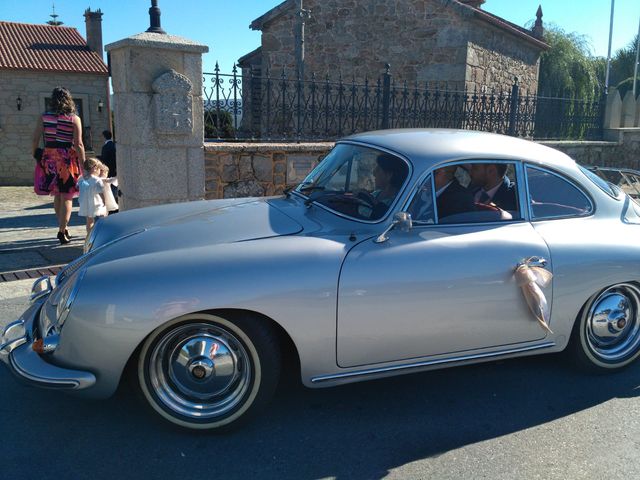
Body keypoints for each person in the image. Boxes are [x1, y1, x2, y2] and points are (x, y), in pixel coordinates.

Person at [32, 86, 85, 244]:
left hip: (49, 157)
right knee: (67, 195)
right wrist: (83, 165)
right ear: (69, 100)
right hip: (66, 159)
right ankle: (62, 230)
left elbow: (35, 138)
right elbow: (79, 144)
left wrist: (36, 154)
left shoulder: (44, 117)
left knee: (56, 194)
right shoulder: (74, 119)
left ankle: (63, 227)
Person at [77, 157, 107, 234]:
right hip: (96, 202)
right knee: (103, 218)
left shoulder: (81, 178)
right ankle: (102, 233)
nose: (100, 171)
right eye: (99, 169)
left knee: (89, 221)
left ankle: (89, 235)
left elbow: (78, 187)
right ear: (95, 168)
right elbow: (101, 192)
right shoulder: (97, 180)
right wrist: (104, 201)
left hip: (84, 202)